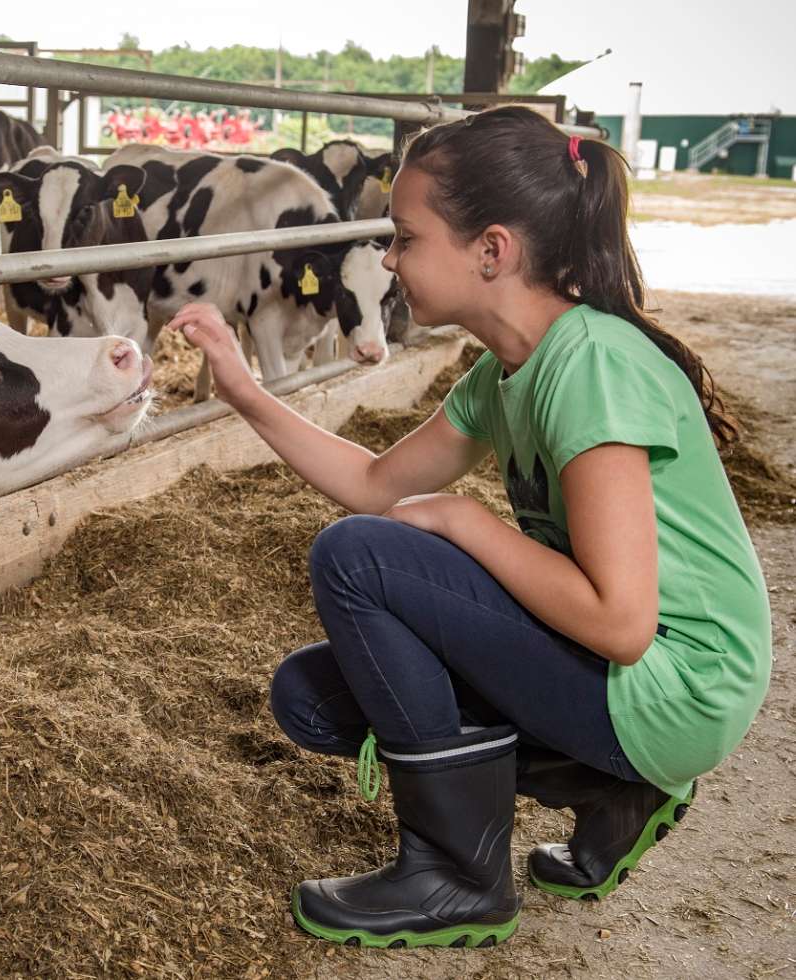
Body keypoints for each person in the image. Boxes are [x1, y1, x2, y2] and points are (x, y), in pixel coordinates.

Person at [167, 106, 771, 950]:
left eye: (405, 239)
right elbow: (376, 483)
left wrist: (461, 519)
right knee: (316, 700)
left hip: (677, 685)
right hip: (626, 671)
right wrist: (241, 389)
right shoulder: (507, 372)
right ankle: (611, 788)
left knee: (357, 559)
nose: (386, 259)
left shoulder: (588, 365)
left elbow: (623, 625)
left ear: (492, 250)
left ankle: (459, 876)